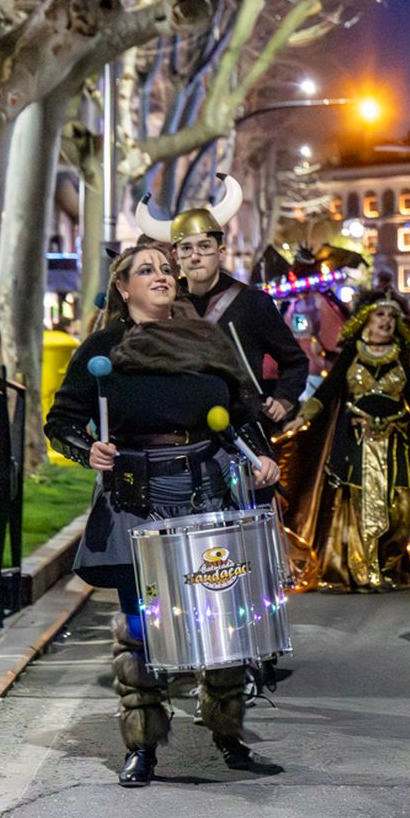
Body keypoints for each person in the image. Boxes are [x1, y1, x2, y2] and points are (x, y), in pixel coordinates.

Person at [45, 243, 284, 786]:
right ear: (123, 288)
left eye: (166, 270)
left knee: (219, 617)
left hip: (204, 484)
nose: (161, 277)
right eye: (146, 270)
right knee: (141, 624)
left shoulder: (206, 341)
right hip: (135, 491)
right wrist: (89, 452)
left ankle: (227, 733)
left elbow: (240, 412)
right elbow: (61, 423)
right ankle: (143, 745)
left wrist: (262, 455)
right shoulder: (101, 350)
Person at [278, 291, 410, 592]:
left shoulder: (403, 355)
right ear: (365, 319)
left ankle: (389, 567)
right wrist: (301, 420)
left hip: (395, 445)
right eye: (381, 315)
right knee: (358, 509)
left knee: (400, 508)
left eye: (392, 317)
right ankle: (362, 570)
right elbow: (326, 393)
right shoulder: (352, 352)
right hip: (356, 443)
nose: (387, 321)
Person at [134, 176, 310, 428]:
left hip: (242, 426)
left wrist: (284, 399)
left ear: (221, 251)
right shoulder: (163, 303)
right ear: (175, 255)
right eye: (185, 249)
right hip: (178, 428)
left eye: (204, 246)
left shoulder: (253, 302)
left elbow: (295, 362)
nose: (195, 256)